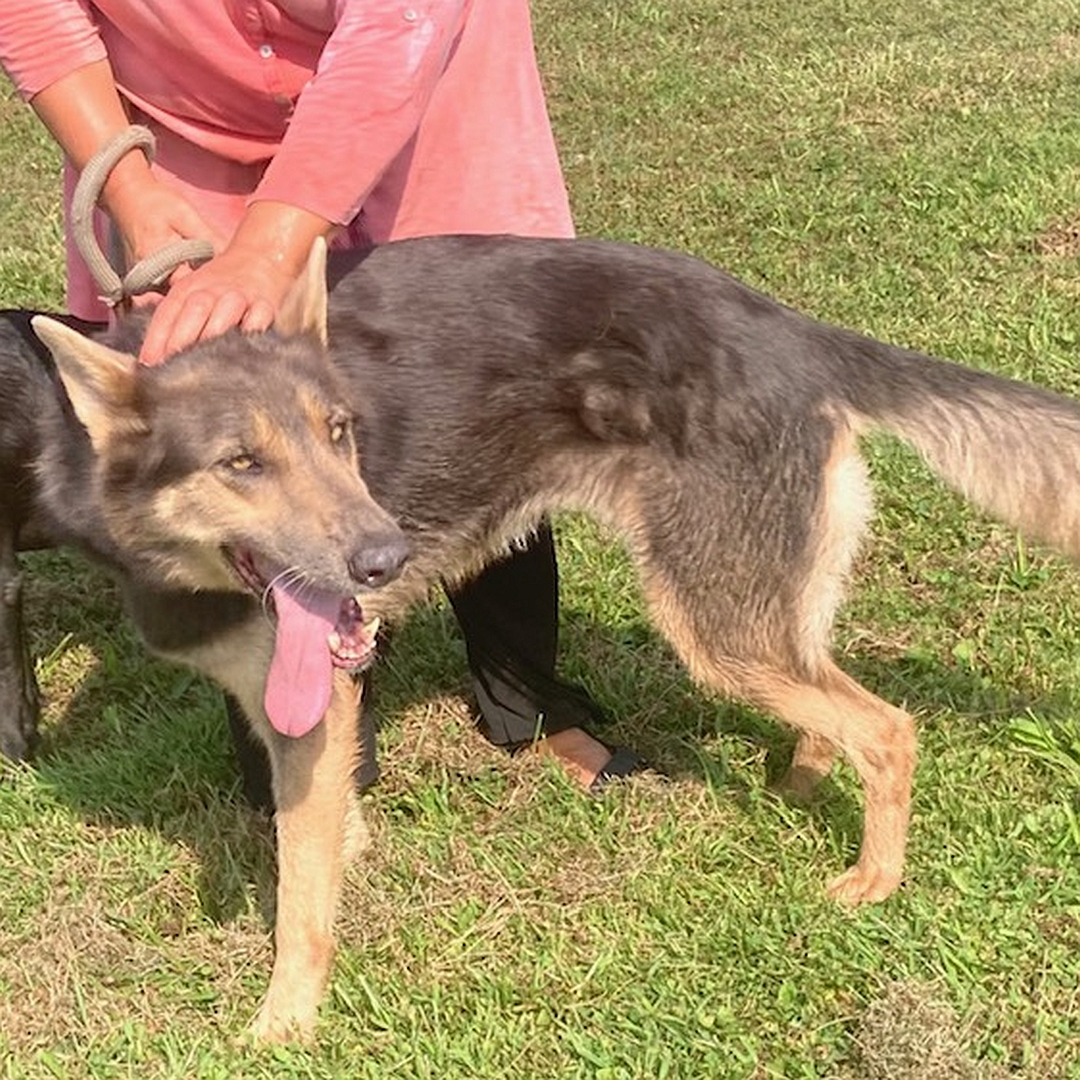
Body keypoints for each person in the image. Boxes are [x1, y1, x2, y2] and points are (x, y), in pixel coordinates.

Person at [0, 1, 642, 793]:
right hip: (186, 130)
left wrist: (270, 248)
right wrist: (128, 189)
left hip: (419, 94)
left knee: (472, 397)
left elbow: (398, 25)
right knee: (248, 446)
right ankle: (314, 710)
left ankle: (529, 704)